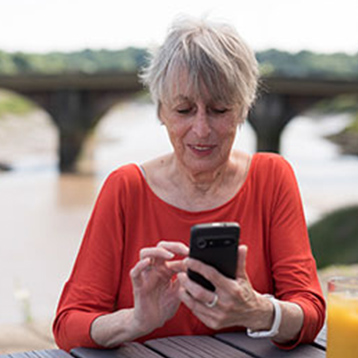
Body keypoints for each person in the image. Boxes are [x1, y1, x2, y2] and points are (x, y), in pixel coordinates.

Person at [53, 16, 325, 351]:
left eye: (219, 109)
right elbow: (68, 325)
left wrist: (258, 311)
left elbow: (311, 311)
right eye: (183, 110)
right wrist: (136, 320)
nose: (201, 130)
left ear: (243, 110)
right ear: (160, 111)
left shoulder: (272, 177)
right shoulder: (125, 188)